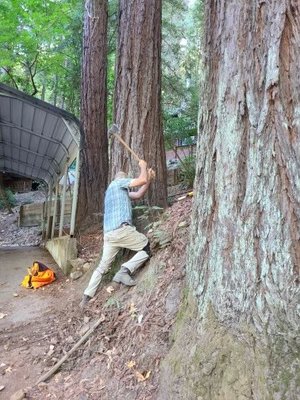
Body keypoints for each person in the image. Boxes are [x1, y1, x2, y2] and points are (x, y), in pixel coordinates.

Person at [80, 159, 154, 308]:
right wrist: (144, 167)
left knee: (102, 267)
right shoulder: (118, 183)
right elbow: (141, 179)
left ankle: (86, 297)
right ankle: (124, 270)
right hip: (121, 230)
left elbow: (138, 194)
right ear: (121, 179)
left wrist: (149, 180)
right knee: (146, 247)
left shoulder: (115, 192)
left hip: (109, 235)